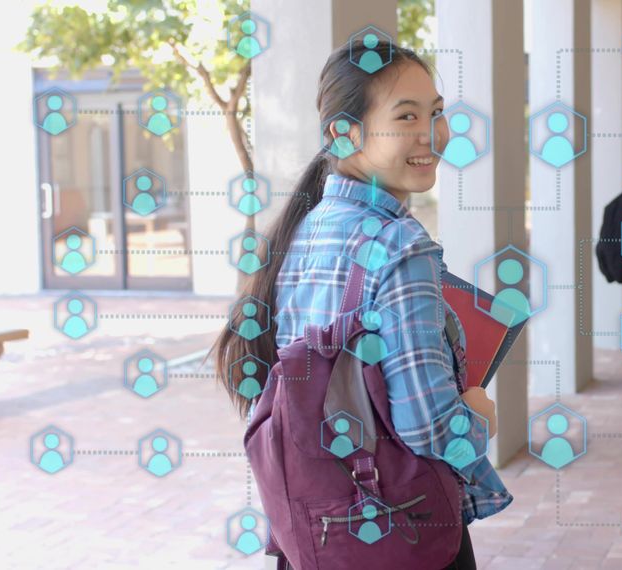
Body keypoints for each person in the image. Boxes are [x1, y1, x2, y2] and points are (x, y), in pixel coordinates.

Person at [210, 42, 509, 569]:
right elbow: (430, 427)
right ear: (344, 133)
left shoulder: (302, 230)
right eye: (406, 116)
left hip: (320, 533)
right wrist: (480, 415)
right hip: (403, 531)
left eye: (436, 112)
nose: (431, 133)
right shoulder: (400, 246)